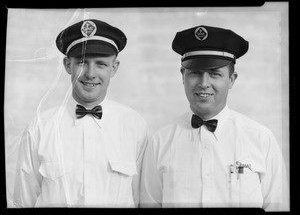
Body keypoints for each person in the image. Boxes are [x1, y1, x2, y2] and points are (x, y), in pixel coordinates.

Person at [140, 25, 289, 211]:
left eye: (215, 74)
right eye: (195, 73)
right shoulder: (159, 142)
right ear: (183, 76)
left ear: (232, 79)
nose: (204, 84)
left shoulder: (261, 139)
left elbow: (277, 207)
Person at [13, 19, 148, 207]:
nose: (90, 73)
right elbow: (23, 202)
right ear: (68, 65)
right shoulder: (40, 127)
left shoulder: (135, 126)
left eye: (101, 64)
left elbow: (141, 199)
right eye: (82, 62)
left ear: (114, 68)